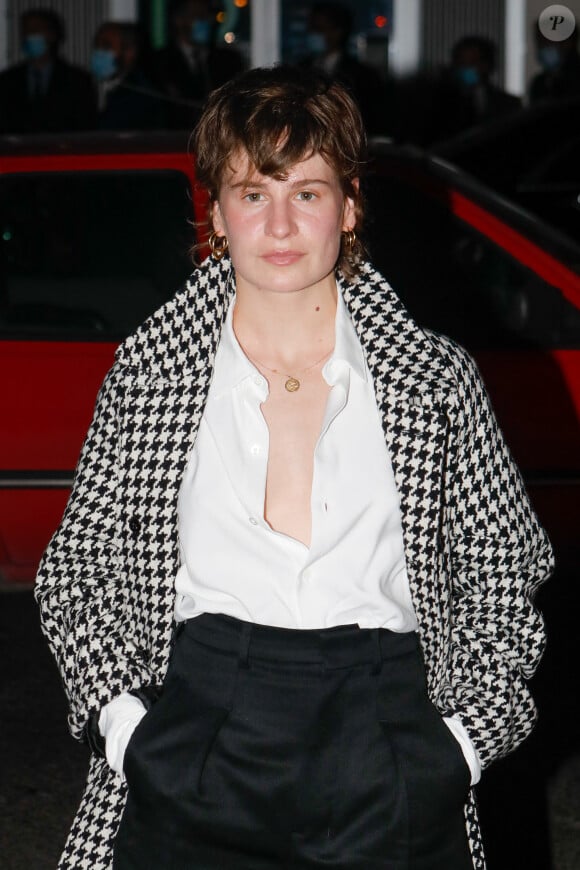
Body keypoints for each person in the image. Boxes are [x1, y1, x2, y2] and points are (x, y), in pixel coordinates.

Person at [35, 65, 553, 869]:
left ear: (348, 208)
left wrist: (462, 747)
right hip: (196, 732)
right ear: (216, 212)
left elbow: (503, 570)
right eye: (252, 192)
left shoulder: (432, 381)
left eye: (306, 193)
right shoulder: (151, 373)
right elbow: (78, 571)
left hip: (390, 739)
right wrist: (124, 727)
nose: (278, 223)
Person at [0, 7, 96, 134]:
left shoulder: (77, 81)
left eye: (36, 30)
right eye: (26, 30)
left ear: (53, 35)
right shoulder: (7, 81)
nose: (29, 35)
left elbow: (84, 127)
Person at [301, 1, 389, 136]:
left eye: (319, 28)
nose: (312, 34)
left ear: (337, 32)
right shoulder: (301, 69)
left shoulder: (362, 75)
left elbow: (373, 119)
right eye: (311, 28)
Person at [154, 0, 245, 129]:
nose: (207, 21)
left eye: (208, 15)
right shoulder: (159, 62)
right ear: (179, 20)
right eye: (198, 16)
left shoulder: (229, 60)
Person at [90, 21, 166, 130]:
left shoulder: (143, 96)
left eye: (106, 46)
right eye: (97, 45)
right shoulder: (84, 85)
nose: (99, 52)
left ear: (129, 52)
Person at [529, 26, 580, 103]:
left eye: (545, 41)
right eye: (539, 42)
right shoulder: (540, 83)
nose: (540, 47)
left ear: (567, 42)